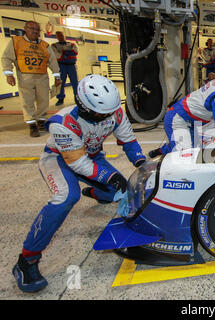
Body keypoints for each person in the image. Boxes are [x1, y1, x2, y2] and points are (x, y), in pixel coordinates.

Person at [12, 74, 146, 293]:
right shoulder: (62, 122)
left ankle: (95, 192)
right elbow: (77, 163)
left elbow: (129, 140)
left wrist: (141, 162)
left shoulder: (115, 112)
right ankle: (26, 261)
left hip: (91, 157)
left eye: (109, 112)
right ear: (83, 106)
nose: (107, 117)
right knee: (67, 197)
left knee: (125, 188)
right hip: (58, 159)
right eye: (100, 114)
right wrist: (109, 177)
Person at [1, 21, 61, 137]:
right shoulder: (16, 42)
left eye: (37, 30)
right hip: (25, 76)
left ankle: (41, 121)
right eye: (32, 29)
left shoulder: (44, 45)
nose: (35, 32)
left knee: (44, 100)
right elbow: (6, 58)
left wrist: (57, 76)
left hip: (42, 77)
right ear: (26, 29)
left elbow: (52, 62)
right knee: (27, 101)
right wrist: (9, 74)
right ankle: (32, 125)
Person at [51, 31, 78, 106]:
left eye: (61, 35)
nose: (60, 37)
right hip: (61, 66)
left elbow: (75, 52)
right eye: (58, 36)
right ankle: (60, 99)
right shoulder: (54, 46)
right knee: (60, 83)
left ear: (64, 36)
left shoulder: (72, 44)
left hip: (72, 66)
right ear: (56, 37)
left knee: (75, 83)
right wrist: (68, 52)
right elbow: (57, 56)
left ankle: (77, 98)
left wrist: (63, 52)